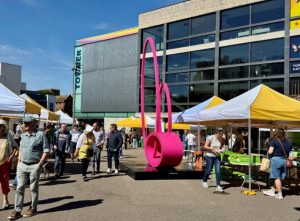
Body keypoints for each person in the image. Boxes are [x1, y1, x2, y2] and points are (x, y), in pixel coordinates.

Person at [8, 116, 49, 220]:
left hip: (35, 165)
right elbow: (21, 148)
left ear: (33, 123)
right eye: (24, 123)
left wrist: (40, 163)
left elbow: (46, 150)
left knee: (33, 188)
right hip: (22, 165)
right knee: (20, 187)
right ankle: (17, 210)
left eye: (27, 123)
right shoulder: (23, 135)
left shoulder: (41, 135)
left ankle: (33, 208)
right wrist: (19, 161)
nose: (25, 125)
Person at [263, 129, 294, 199]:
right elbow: (290, 155)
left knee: (276, 177)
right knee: (279, 177)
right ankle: (273, 190)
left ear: (276, 134)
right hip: (284, 161)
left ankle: (280, 194)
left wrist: (268, 149)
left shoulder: (274, 141)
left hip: (276, 160)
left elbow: (270, 152)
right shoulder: (288, 143)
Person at [0, 119, 18, 209]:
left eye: (1, 126)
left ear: (4, 127)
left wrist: (10, 157)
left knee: (5, 182)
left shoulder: (8, 136)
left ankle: (5, 199)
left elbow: (15, 147)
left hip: (4, 163)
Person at [202, 128, 226, 192]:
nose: (220, 136)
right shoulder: (211, 137)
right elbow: (205, 146)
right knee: (209, 170)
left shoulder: (223, 138)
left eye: (221, 134)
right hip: (209, 156)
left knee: (218, 171)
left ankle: (218, 186)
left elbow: (223, 146)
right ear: (217, 133)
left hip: (217, 156)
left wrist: (223, 149)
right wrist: (212, 149)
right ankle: (204, 181)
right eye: (219, 134)